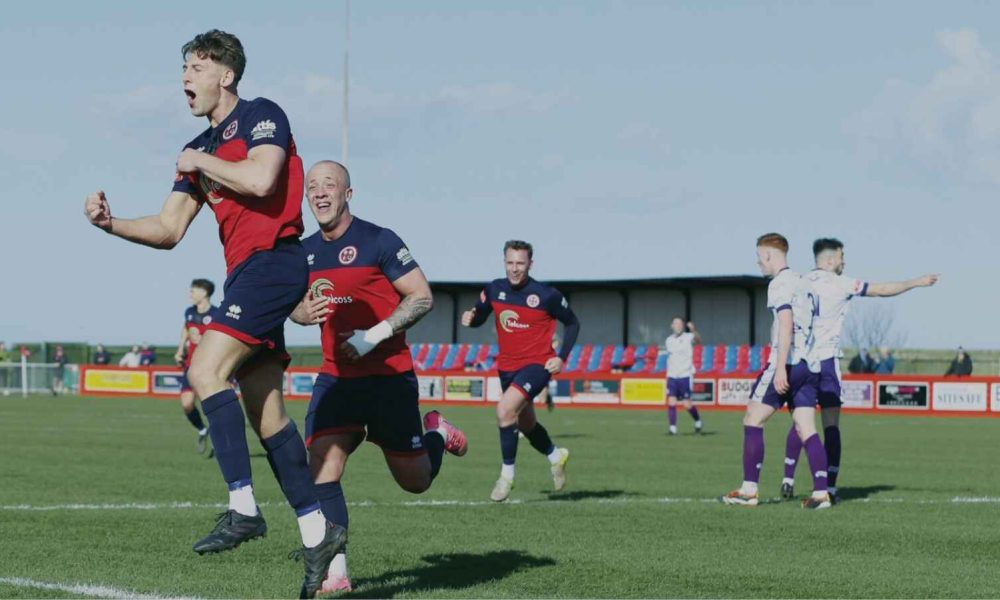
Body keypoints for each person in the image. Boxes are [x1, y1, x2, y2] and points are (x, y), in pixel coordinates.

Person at [82, 29, 342, 597]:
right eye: (184, 70)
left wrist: (198, 157)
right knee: (267, 416)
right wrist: (111, 223)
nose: (185, 79)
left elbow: (262, 177)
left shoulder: (262, 115)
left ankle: (243, 509)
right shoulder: (197, 149)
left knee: (204, 372)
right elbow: (168, 229)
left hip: (273, 265)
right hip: (247, 274)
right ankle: (320, 535)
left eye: (196, 68)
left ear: (226, 74)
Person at [291, 161, 468, 594]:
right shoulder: (303, 251)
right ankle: (337, 572)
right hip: (336, 379)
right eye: (312, 186)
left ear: (348, 193)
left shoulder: (379, 240)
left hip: (389, 378)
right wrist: (300, 312)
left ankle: (437, 432)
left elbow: (421, 297)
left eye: (329, 184)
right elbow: (291, 304)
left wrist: (374, 336)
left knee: (415, 483)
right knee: (322, 471)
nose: (319, 192)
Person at [780, 238, 938, 504]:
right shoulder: (841, 283)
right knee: (831, 425)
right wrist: (914, 282)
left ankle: (788, 478)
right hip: (827, 361)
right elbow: (882, 289)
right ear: (830, 260)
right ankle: (828, 486)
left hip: (801, 361)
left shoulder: (798, 282)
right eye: (842, 257)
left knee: (801, 423)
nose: (844, 262)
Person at [462, 240, 581, 502]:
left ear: (530, 264)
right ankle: (555, 455)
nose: (515, 269)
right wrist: (471, 320)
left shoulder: (546, 295)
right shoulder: (495, 289)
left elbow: (572, 324)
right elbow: (480, 314)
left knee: (504, 411)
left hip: (538, 365)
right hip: (506, 367)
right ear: (504, 262)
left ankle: (506, 477)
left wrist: (560, 358)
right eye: (510, 262)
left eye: (520, 263)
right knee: (527, 425)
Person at [722, 233, 830, 510]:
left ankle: (749, 491)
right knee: (807, 429)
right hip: (810, 364)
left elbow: (785, 323)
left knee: (752, 419)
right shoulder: (805, 283)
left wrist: (780, 366)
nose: (759, 264)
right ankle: (821, 494)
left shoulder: (779, 284)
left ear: (769, 255)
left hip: (788, 361)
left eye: (760, 259)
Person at [174, 279, 218, 456]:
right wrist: (180, 349)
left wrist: (204, 341)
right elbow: (185, 329)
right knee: (186, 404)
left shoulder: (216, 314)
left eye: (193, 291)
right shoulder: (189, 312)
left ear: (204, 293)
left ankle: (219, 440)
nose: (190, 294)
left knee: (212, 407)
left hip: (209, 367)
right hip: (190, 365)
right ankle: (202, 430)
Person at [664, 318, 703, 435]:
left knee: (686, 404)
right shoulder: (669, 340)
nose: (678, 326)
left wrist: (693, 330)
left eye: (680, 324)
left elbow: (699, 340)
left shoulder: (688, 337)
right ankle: (672, 428)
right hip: (672, 375)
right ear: (672, 326)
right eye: (675, 323)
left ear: (683, 326)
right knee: (671, 401)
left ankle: (698, 421)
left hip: (685, 375)